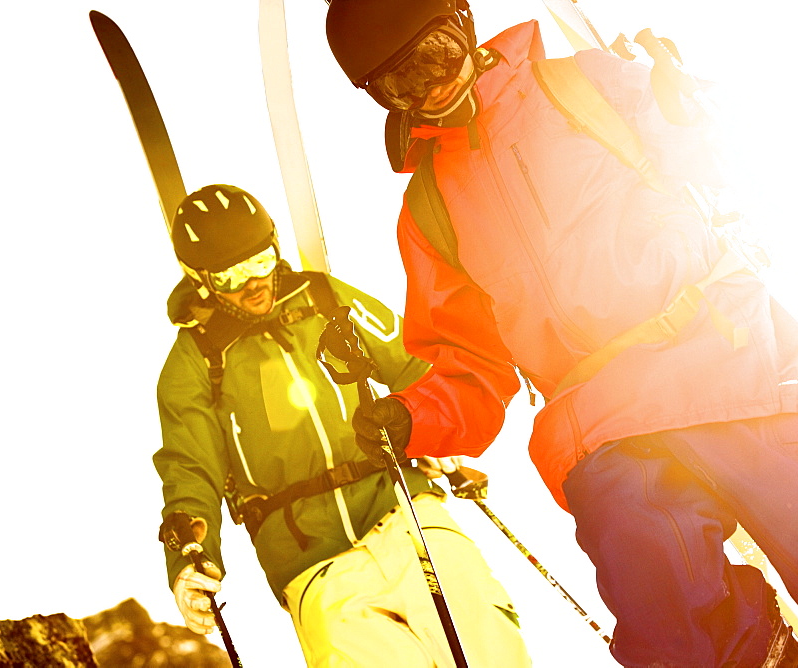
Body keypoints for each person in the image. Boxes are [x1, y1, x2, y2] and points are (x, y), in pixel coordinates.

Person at [324, 1, 798, 666]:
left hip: (727, 361)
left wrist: (684, 103)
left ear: (461, 24)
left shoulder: (581, 85)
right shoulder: (430, 207)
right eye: (397, 84)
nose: (427, 87)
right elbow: (468, 360)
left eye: (434, 56)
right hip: (604, 426)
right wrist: (413, 418)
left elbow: (718, 155)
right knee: (672, 633)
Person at [153, 184, 531, 667]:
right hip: (312, 562)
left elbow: (414, 362)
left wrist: (435, 432)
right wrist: (191, 554)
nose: (252, 283)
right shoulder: (196, 361)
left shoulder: (324, 300)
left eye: (260, 261)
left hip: (404, 511)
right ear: (202, 280)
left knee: (485, 636)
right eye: (230, 276)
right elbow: (190, 468)